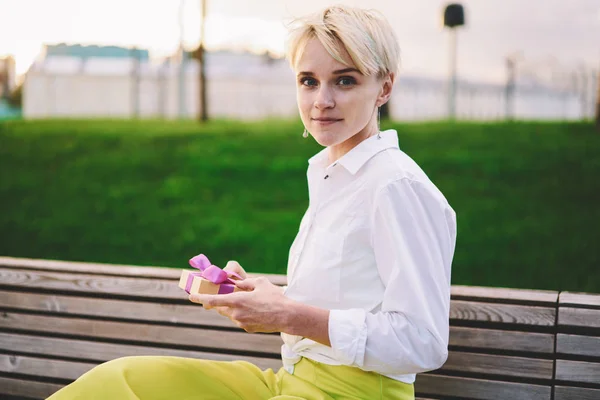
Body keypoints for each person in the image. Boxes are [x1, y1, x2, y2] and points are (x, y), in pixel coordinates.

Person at [48, 5, 456, 400]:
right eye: (308, 81)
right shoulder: (334, 177)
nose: (321, 101)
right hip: (289, 384)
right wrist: (272, 298)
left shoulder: (395, 186)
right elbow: (346, 299)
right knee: (122, 381)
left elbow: (424, 341)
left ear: (384, 86)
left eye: (344, 81)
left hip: (355, 395)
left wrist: (287, 315)